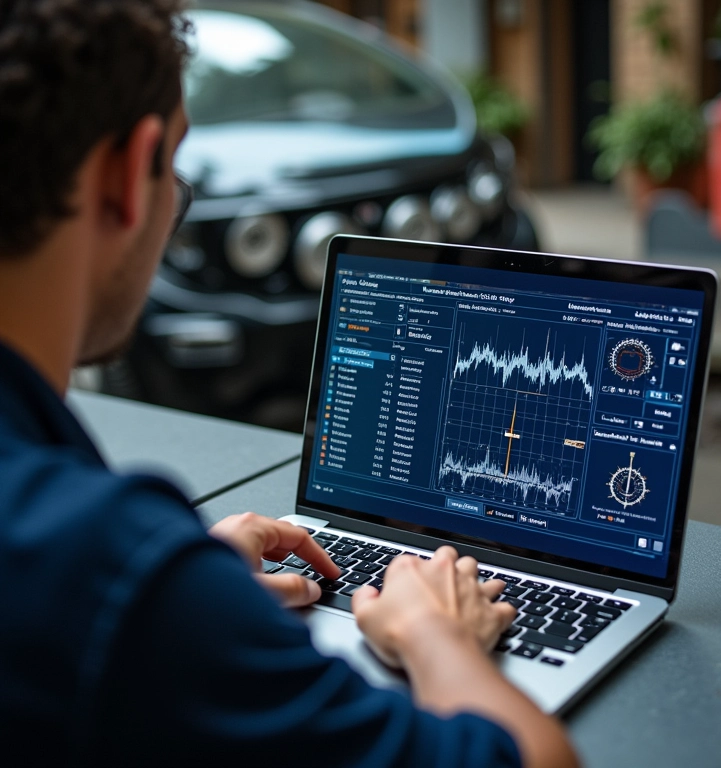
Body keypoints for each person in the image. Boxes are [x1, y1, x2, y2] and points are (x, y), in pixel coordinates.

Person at [0, 2, 579, 766]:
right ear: (125, 176)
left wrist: (187, 589)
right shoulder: (110, 568)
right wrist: (436, 634)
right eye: (176, 167)